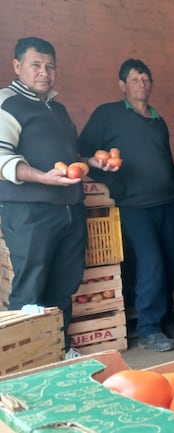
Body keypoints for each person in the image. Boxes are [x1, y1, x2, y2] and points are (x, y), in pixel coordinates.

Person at [0, 36, 115, 359]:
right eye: (36, 65)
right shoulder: (7, 103)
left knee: (64, 285)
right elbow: (1, 158)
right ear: (17, 66)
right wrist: (43, 177)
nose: (44, 72)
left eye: (50, 66)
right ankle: (23, 361)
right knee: (30, 289)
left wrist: (90, 161)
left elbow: (69, 155)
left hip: (69, 210)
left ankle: (59, 349)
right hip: (30, 212)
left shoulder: (57, 108)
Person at [79, 59, 174, 352]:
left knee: (171, 266)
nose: (142, 84)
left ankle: (165, 319)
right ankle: (148, 329)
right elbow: (83, 152)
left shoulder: (158, 121)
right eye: (135, 79)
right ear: (122, 85)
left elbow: (168, 167)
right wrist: (114, 184)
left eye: (146, 79)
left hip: (165, 204)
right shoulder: (107, 115)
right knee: (152, 265)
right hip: (134, 205)